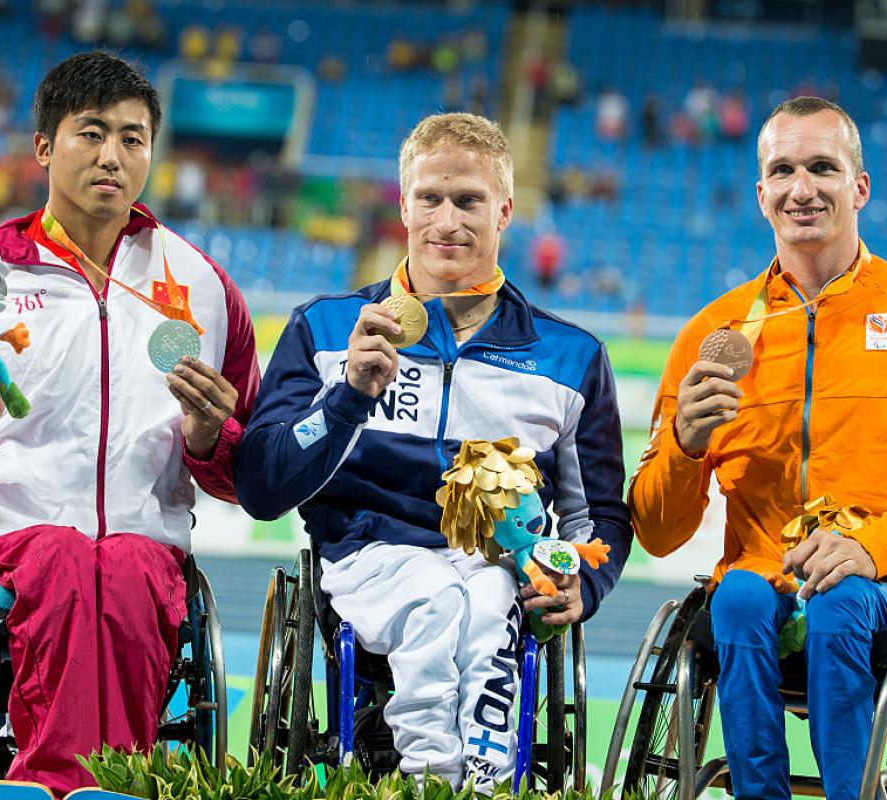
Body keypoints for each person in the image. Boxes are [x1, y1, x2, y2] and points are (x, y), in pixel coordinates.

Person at [0, 51, 260, 796]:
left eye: (134, 138)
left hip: (146, 550)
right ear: (44, 147)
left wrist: (213, 440)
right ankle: (74, 787)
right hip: (17, 546)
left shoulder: (205, 288)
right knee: (63, 565)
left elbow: (253, 477)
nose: (114, 155)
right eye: (91, 133)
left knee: (123, 569)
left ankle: (105, 784)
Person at [235, 112, 631, 791]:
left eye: (470, 200)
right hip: (368, 559)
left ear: (505, 210)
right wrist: (347, 396)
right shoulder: (327, 329)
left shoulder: (572, 359)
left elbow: (597, 514)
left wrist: (583, 580)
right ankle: (429, 782)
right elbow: (262, 484)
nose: (448, 220)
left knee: (486, 605)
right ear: (404, 204)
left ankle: (485, 779)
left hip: (497, 565)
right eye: (431, 198)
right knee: (438, 601)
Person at [627, 96, 887, 800]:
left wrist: (873, 548)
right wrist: (684, 444)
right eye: (783, 170)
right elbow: (655, 529)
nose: (803, 187)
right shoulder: (711, 334)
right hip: (763, 582)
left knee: (840, 602)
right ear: (761, 193)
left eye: (823, 167)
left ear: (859, 187)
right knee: (735, 595)